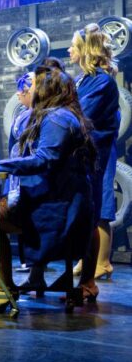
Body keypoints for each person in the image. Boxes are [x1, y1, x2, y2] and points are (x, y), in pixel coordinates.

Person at [0, 64, 96, 309]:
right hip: (57, 199)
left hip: (57, 207)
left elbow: (44, 159)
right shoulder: (61, 114)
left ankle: (4, 288)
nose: (31, 89)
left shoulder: (56, 118)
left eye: (36, 84)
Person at [70, 24, 120, 286]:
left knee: (99, 204)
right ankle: (88, 260)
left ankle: (100, 262)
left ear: (85, 50)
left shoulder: (102, 81)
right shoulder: (85, 80)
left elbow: (81, 115)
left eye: (73, 46)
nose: (69, 50)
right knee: (88, 207)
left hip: (96, 153)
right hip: (85, 154)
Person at [8, 72, 35, 273]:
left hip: (27, 169)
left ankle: (32, 260)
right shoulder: (22, 113)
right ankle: (26, 260)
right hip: (17, 170)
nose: (19, 95)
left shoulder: (36, 114)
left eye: (22, 92)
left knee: (27, 212)